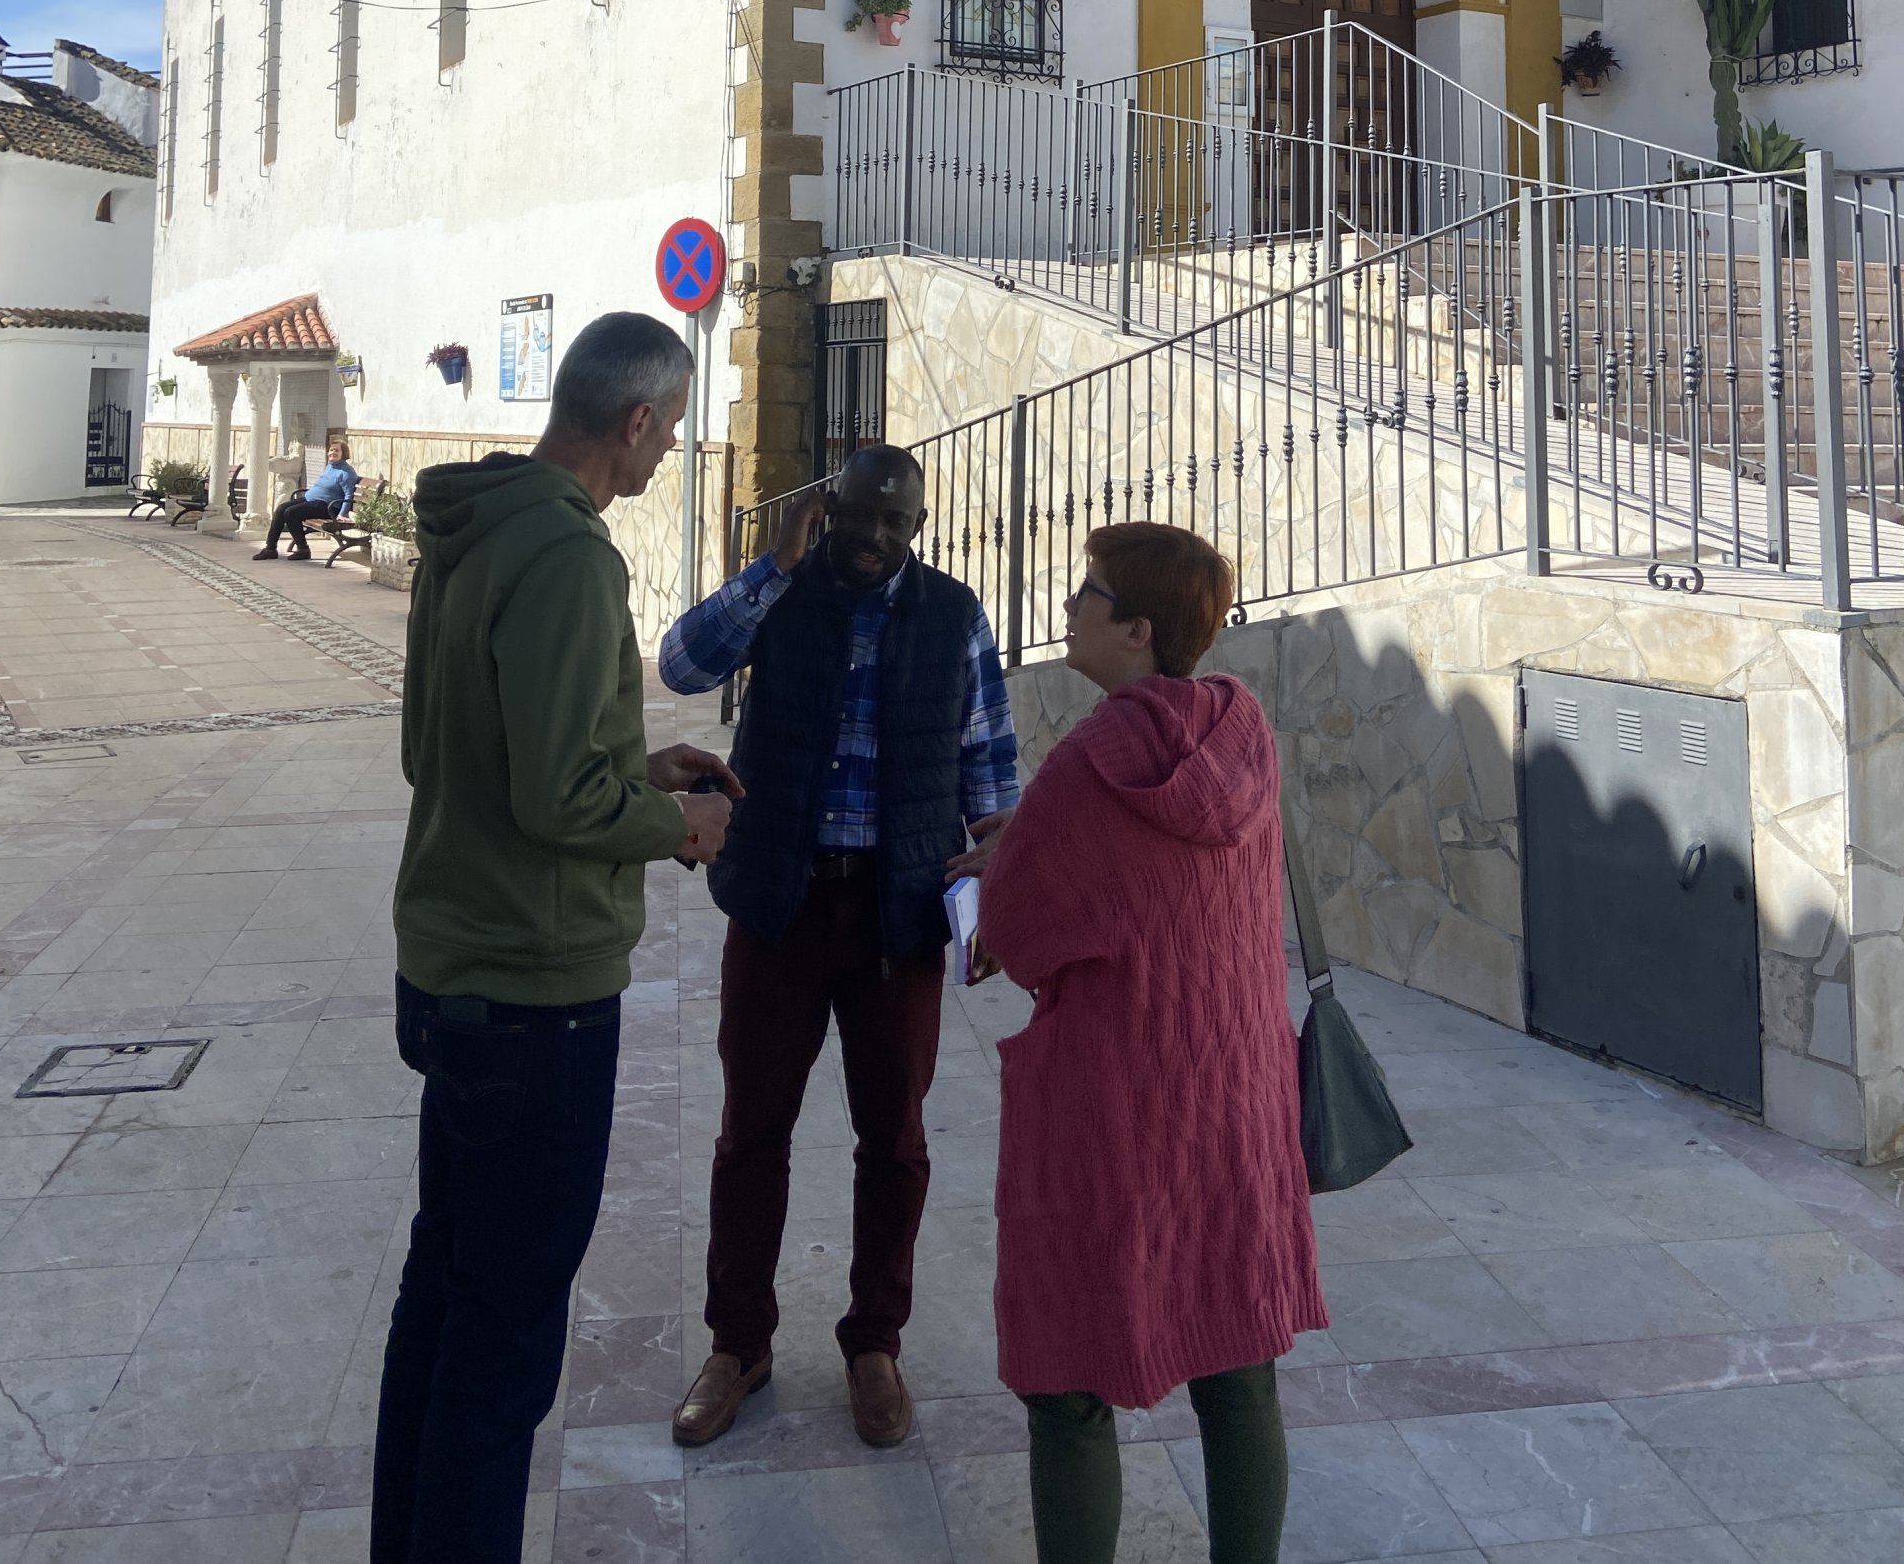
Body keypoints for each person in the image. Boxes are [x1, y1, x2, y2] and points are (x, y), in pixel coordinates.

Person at [370, 312, 740, 1564]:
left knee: (443, 1300)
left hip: (447, 968)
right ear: (634, 421)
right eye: (669, 427)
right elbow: (557, 802)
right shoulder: (573, 558)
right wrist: (678, 823)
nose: (669, 447)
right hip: (535, 994)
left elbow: (443, 752)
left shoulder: (468, 529)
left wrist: (631, 767)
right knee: (505, 1342)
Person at [973, 522, 1327, 1564]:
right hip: (1234, 1095)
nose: (1069, 605)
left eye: (1089, 593)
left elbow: (1021, 932)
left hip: (1113, 1110)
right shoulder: (1244, 733)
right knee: (1237, 1358)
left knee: (1067, 1382)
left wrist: (1003, 867)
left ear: (1135, 629)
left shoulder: (1089, 762)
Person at [660, 446, 1019, 1451]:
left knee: (893, 1139)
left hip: (895, 916)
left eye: (892, 522)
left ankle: (874, 1343)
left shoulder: (954, 616)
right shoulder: (781, 593)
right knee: (751, 1133)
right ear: (831, 507)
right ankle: (738, 1344)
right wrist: (775, 564)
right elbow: (683, 663)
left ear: (916, 527)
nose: (871, 536)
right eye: (858, 514)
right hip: (780, 900)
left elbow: (989, 767)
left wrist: (997, 890)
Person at [254, 436, 360, 560]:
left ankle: (303, 549)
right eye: (331, 450)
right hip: (311, 500)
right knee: (281, 509)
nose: (332, 453)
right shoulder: (330, 466)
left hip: (328, 507)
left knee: (291, 513)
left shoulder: (347, 473)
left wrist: (342, 514)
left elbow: (348, 495)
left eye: (336, 450)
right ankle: (270, 549)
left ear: (344, 453)